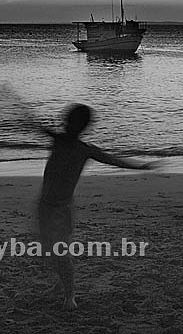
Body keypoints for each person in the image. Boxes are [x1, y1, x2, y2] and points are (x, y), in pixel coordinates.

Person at [33, 104, 153, 310]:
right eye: (68, 122)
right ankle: (59, 284)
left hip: (62, 209)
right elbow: (33, 125)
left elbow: (113, 160)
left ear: (82, 128)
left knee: (61, 251)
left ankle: (70, 296)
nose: (69, 127)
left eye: (75, 124)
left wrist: (139, 166)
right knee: (47, 249)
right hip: (44, 206)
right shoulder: (57, 140)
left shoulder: (84, 150)